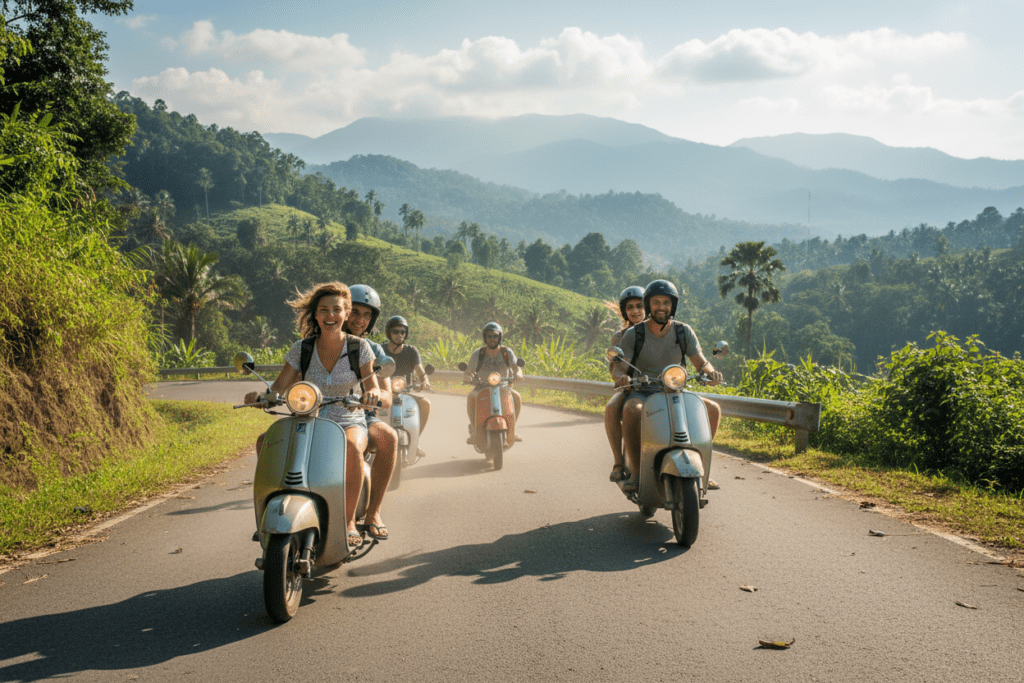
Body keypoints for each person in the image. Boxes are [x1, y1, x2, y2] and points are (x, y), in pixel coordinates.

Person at [244, 282, 384, 549]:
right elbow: (278, 388)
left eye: (336, 310)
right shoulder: (302, 348)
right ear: (316, 315)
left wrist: (372, 395)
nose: (330, 315)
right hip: (308, 418)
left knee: (352, 447)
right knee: (266, 441)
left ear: (346, 313)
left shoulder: (359, 348)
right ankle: (268, 512)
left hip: (348, 418)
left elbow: (373, 386)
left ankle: (348, 522)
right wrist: (260, 397)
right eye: (324, 310)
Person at [608, 279, 723, 494]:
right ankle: (636, 471)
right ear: (649, 305)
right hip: (643, 392)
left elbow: (701, 362)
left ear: (673, 306)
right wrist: (621, 377)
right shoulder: (634, 334)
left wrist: (711, 372)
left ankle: (702, 468)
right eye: (656, 302)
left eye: (666, 302)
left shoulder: (683, 331)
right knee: (631, 409)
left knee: (713, 409)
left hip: (676, 391)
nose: (661, 307)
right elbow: (619, 368)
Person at [341, 284, 397, 541]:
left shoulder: (374, 350)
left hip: (362, 415)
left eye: (366, 315)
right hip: (318, 414)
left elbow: (387, 395)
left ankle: (373, 512)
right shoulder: (318, 342)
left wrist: (375, 397)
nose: (360, 320)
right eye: (355, 312)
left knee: (388, 437)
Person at [604, 286, 645, 482]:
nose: (635, 311)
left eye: (639, 306)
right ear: (624, 311)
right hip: (632, 389)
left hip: (661, 387)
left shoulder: (659, 331)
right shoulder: (619, 336)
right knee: (612, 408)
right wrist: (621, 378)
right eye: (630, 307)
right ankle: (618, 462)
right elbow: (615, 367)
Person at [463, 322, 524, 443]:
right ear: (484, 338)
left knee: (517, 397)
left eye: (495, 336)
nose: (492, 339)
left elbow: (516, 367)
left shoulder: (506, 352)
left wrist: (518, 374)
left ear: (500, 337)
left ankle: (512, 430)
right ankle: (475, 431)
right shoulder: (478, 354)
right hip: (481, 387)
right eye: (489, 336)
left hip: (503, 387)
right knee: (471, 397)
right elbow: (469, 371)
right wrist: (468, 377)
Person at [382, 315, 432, 454]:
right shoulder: (380, 350)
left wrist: (425, 382)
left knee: (425, 404)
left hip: (406, 393)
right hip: (384, 393)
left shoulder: (411, 351)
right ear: (389, 333)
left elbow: (421, 372)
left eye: (402, 332)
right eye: (395, 331)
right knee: (368, 410)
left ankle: (414, 442)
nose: (399, 335)